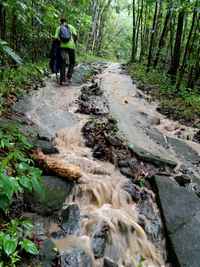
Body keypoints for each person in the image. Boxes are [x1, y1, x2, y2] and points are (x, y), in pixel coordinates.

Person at [54, 18, 77, 85]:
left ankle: (62, 79)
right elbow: (75, 35)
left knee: (62, 62)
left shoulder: (59, 28)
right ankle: (69, 77)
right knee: (72, 61)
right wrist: (74, 42)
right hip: (71, 46)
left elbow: (55, 38)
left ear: (60, 22)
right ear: (66, 22)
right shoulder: (71, 27)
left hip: (62, 47)